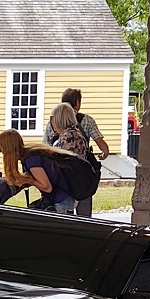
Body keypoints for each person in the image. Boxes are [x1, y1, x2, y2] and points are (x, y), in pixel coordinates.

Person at [45, 88, 109, 217]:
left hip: (66, 181)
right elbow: (100, 142)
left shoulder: (59, 127)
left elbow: (46, 146)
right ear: (78, 102)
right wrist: (105, 152)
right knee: (84, 213)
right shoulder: (87, 121)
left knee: (66, 216)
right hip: (81, 174)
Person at [0, 129, 76, 215]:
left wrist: (29, 180)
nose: (0, 150)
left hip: (61, 201)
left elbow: (47, 187)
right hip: (63, 198)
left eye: (1, 147)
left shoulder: (31, 159)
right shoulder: (31, 153)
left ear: (8, 148)